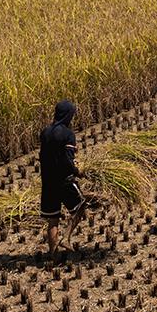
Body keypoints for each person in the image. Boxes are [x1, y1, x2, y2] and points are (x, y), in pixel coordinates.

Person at [39, 100, 86, 254]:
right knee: (80, 207)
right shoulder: (67, 134)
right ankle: (66, 238)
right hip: (64, 180)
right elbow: (67, 159)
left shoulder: (45, 132)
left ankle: (53, 257)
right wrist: (77, 171)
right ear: (68, 115)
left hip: (48, 182)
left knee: (53, 220)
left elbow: (46, 155)